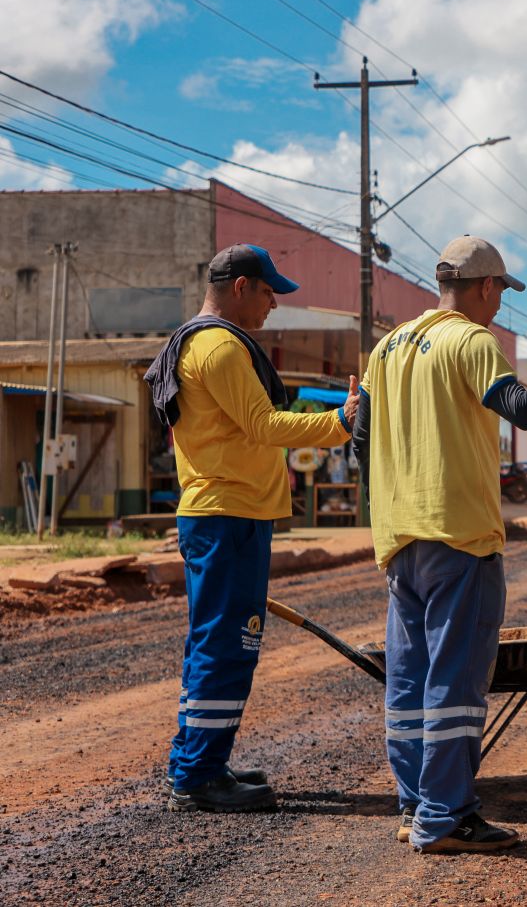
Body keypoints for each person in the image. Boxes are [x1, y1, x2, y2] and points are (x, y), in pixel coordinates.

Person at [352, 236, 527, 853]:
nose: (499, 306)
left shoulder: (388, 347)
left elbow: (360, 439)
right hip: (459, 532)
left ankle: (415, 805)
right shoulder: (472, 341)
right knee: (455, 678)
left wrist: (387, 510)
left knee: (409, 676)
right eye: (501, 292)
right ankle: (445, 817)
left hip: (399, 538)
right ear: (485, 287)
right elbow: (524, 409)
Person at [144, 244, 357, 813]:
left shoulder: (204, 341)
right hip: (227, 516)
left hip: (226, 514)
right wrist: (340, 422)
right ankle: (199, 776)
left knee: (212, 641)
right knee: (227, 643)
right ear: (240, 286)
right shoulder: (217, 347)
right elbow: (264, 426)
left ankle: (198, 761)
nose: (272, 305)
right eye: (268, 292)